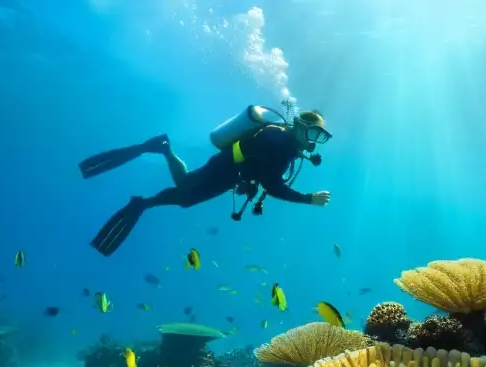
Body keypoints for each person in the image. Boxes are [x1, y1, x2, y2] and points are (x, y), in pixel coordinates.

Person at [80, 108, 332, 256]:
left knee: (185, 186)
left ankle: (163, 149)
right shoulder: (279, 142)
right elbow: (272, 184)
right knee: (186, 195)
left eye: (320, 136)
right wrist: (307, 198)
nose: (313, 141)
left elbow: (266, 174)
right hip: (226, 168)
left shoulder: (285, 143)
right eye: (312, 133)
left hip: (230, 169)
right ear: (299, 126)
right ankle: (144, 201)